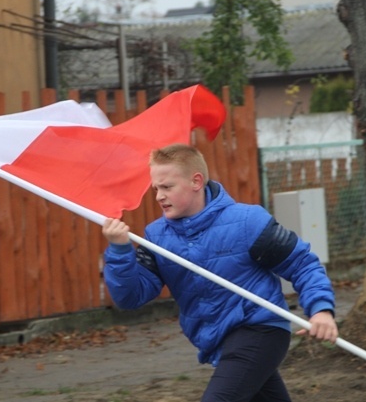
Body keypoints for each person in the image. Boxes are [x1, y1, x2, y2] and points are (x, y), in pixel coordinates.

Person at [102, 143, 338, 402]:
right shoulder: (157, 237)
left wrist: (321, 310)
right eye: (156, 188)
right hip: (218, 339)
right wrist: (120, 251)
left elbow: (302, 264)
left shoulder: (247, 222)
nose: (159, 196)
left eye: (167, 187)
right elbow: (130, 297)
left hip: (261, 329)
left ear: (196, 181)